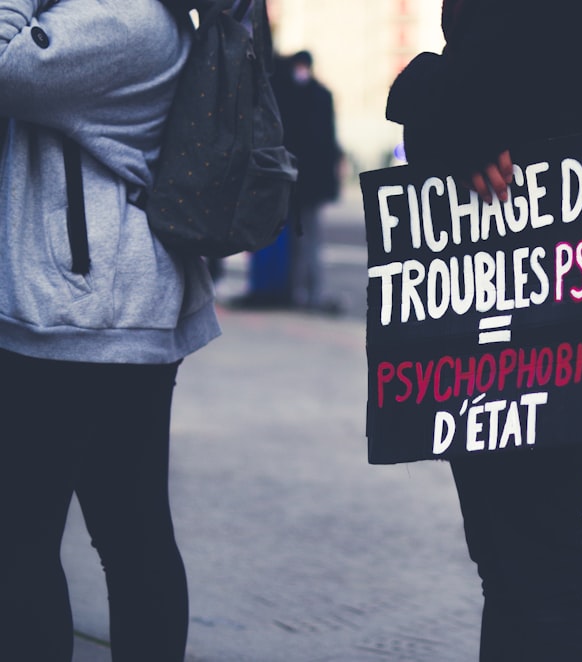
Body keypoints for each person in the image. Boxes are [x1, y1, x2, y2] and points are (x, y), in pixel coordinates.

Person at [385, 0, 582, 659]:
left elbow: (458, 93)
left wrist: (423, 90)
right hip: (561, 266)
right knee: (527, 558)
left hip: (512, 272)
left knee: (534, 561)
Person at [0, 1, 221, 660]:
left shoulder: (122, 18)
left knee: (27, 540)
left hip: (84, 316)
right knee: (130, 533)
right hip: (96, 310)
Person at [231, 50, 343, 311]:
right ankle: (299, 292)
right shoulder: (311, 95)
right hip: (299, 182)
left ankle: (307, 292)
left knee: (307, 240)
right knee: (301, 240)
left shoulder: (306, 96)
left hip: (302, 183)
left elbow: (323, 143)